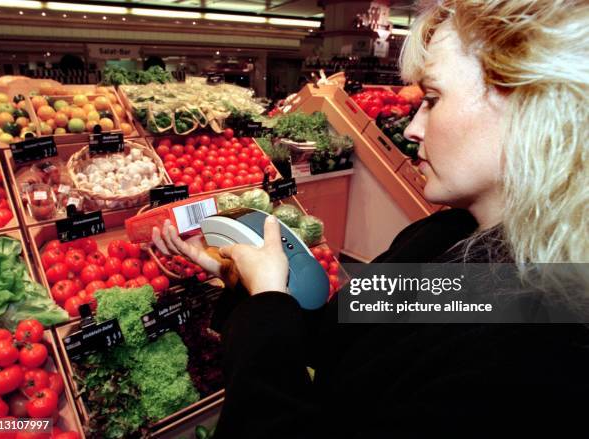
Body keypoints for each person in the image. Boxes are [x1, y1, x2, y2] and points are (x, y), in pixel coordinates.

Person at [152, 0, 588, 437]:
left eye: (433, 99)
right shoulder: (446, 236)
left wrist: (266, 302)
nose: (414, 127)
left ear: (531, 112)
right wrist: (245, 280)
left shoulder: (538, 350)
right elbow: (336, 335)